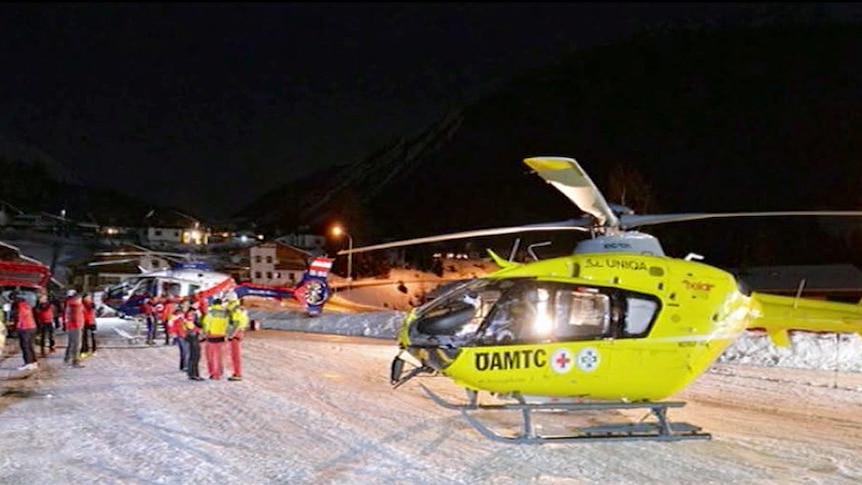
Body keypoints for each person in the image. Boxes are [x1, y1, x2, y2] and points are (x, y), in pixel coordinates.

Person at [201, 297, 229, 380]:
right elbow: (228, 324)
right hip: (222, 335)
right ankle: (220, 371)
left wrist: (205, 332)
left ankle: (214, 374)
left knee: (212, 356)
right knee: (220, 356)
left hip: (212, 335)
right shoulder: (225, 313)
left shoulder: (211, 312)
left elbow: (206, 323)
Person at [10, 292, 38, 370]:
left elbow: (20, 318)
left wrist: (16, 327)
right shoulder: (27, 305)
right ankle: (34, 362)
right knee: (30, 345)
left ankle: (28, 363)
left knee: (25, 346)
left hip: (24, 328)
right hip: (32, 326)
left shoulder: (18, 306)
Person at [226, 294, 250, 382]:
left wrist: (231, 334)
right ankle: (236, 372)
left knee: (235, 355)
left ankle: (237, 373)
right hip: (238, 333)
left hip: (236, 334)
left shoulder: (235, 310)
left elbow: (236, 324)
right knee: (234, 355)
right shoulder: (238, 309)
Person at [63, 290, 85, 368]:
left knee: (71, 343)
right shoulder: (76, 305)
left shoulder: (69, 304)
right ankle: (75, 361)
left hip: (72, 326)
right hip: (76, 326)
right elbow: (76, 317)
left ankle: (67, 359)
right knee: (76, 344)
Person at [183, 300, 204, 381]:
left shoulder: (191, 313)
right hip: (193, 335)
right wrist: (198, 328)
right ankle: (193, 374)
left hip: (191, 335)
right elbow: (190, 325)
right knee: (195, 355)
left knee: (194, 355)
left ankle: (192, 373)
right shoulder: (191, 314)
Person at [167, 307, 189, 372]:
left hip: (184, 335)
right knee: (185, 351)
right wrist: (172, 333)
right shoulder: (174, 318)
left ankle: (183, 366)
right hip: (180, 335)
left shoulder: (182, 318)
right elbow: (170, 326)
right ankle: (185, 366)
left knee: (185, 351)